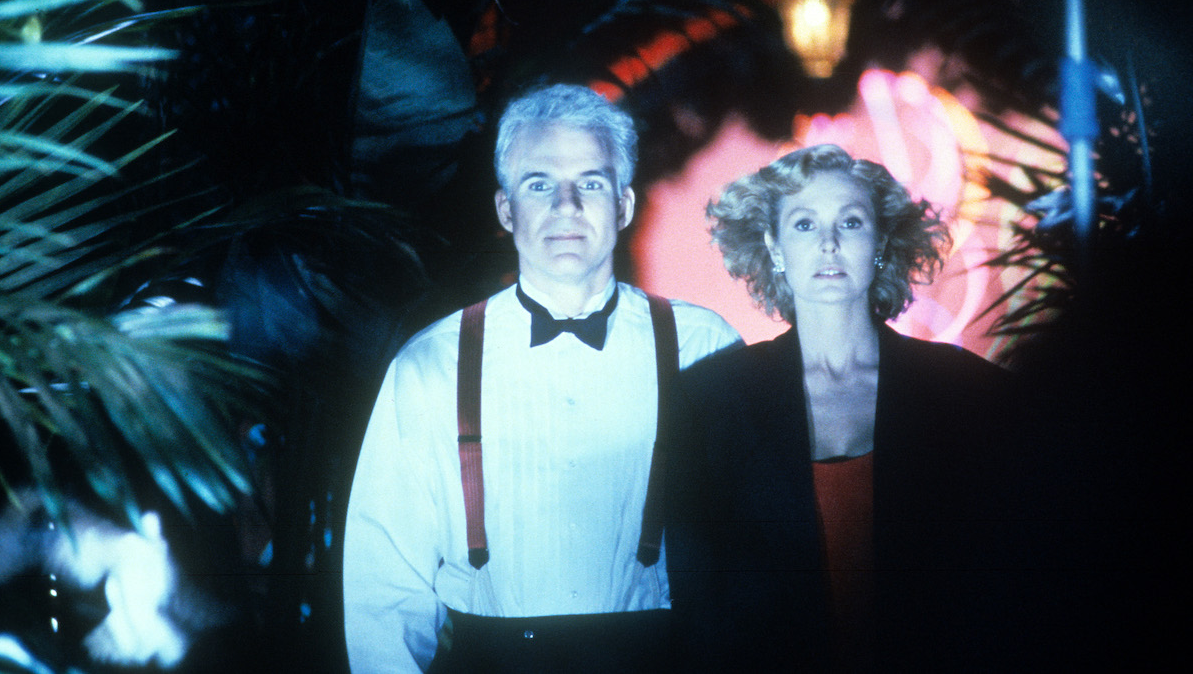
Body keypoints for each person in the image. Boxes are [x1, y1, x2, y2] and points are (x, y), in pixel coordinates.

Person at [343, 83, 741, 672]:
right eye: (539, 185)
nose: (566, 206)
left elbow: (749, 551)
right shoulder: (431, 364)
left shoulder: (704, 346)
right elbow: (383, 585)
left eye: (591, 183)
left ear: (624, 205)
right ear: (506, 210)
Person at [666, 144, 1026, 672]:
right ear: (774, 247)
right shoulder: (710, 400)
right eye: (805, 225)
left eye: (851, 223)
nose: (829, 243)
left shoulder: (967, 392)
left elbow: (1009, 580)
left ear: (880, 243)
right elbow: (700, 600)